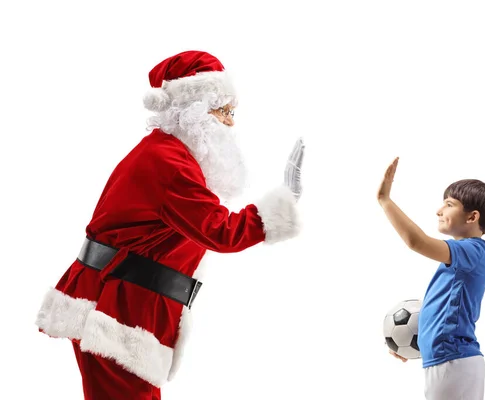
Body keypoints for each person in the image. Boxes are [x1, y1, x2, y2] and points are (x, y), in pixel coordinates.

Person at [35, 50, 305, 400]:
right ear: (194, 112)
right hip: (119, 313)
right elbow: (221, 231)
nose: (231, 124)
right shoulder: (170, 164)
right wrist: (285, 201)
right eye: (223, 112)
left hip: (122, 307)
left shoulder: (163, 153)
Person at [377, 157, 485, 400]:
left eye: (449, 204)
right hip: (449, 362)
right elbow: (447, 314)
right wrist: (417, 344)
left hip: (454, 362)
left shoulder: (472, 251)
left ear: (472, 217)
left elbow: (417, 242)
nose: (439, 210)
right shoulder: (466, 257)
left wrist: (385, 200)